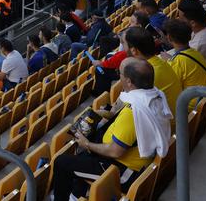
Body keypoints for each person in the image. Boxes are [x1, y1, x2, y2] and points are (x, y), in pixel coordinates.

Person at [49, 58, 172, 200]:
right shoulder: (154, 96)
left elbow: (115, 151)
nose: (118, 76)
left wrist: (87, 144)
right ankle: (78, 193)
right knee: (85, 151)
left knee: (62, 162)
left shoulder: (133, 112)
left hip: (122, 172)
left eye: (120, 74)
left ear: (129, 82)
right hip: (131, 161)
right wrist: (109, 114)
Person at [124, 26, 182, 113]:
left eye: (123, 43)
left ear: (133, 51)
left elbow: (131, 107)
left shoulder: (144, 75)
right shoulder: (160, 62)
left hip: (169, 124)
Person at [162, 19, 206, 111]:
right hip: (205, 99)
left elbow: (173, 89)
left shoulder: (177, 62)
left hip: (191, 108)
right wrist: (171, 60)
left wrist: (169, 62)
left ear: (169, 37)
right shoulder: (196, 52)